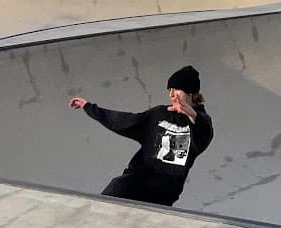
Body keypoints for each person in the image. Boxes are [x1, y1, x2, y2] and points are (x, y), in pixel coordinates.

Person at [69, 66, 213, 207]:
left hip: (163, 192)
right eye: (170, 90)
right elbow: (123, 121)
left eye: (177, 90)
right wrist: (89, 107)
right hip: (137, 179)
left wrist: (192, 115)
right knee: (117, 186)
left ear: (192, 94)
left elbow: (203, 136)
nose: (172, 95)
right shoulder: (159, 114)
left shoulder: (201, 122)